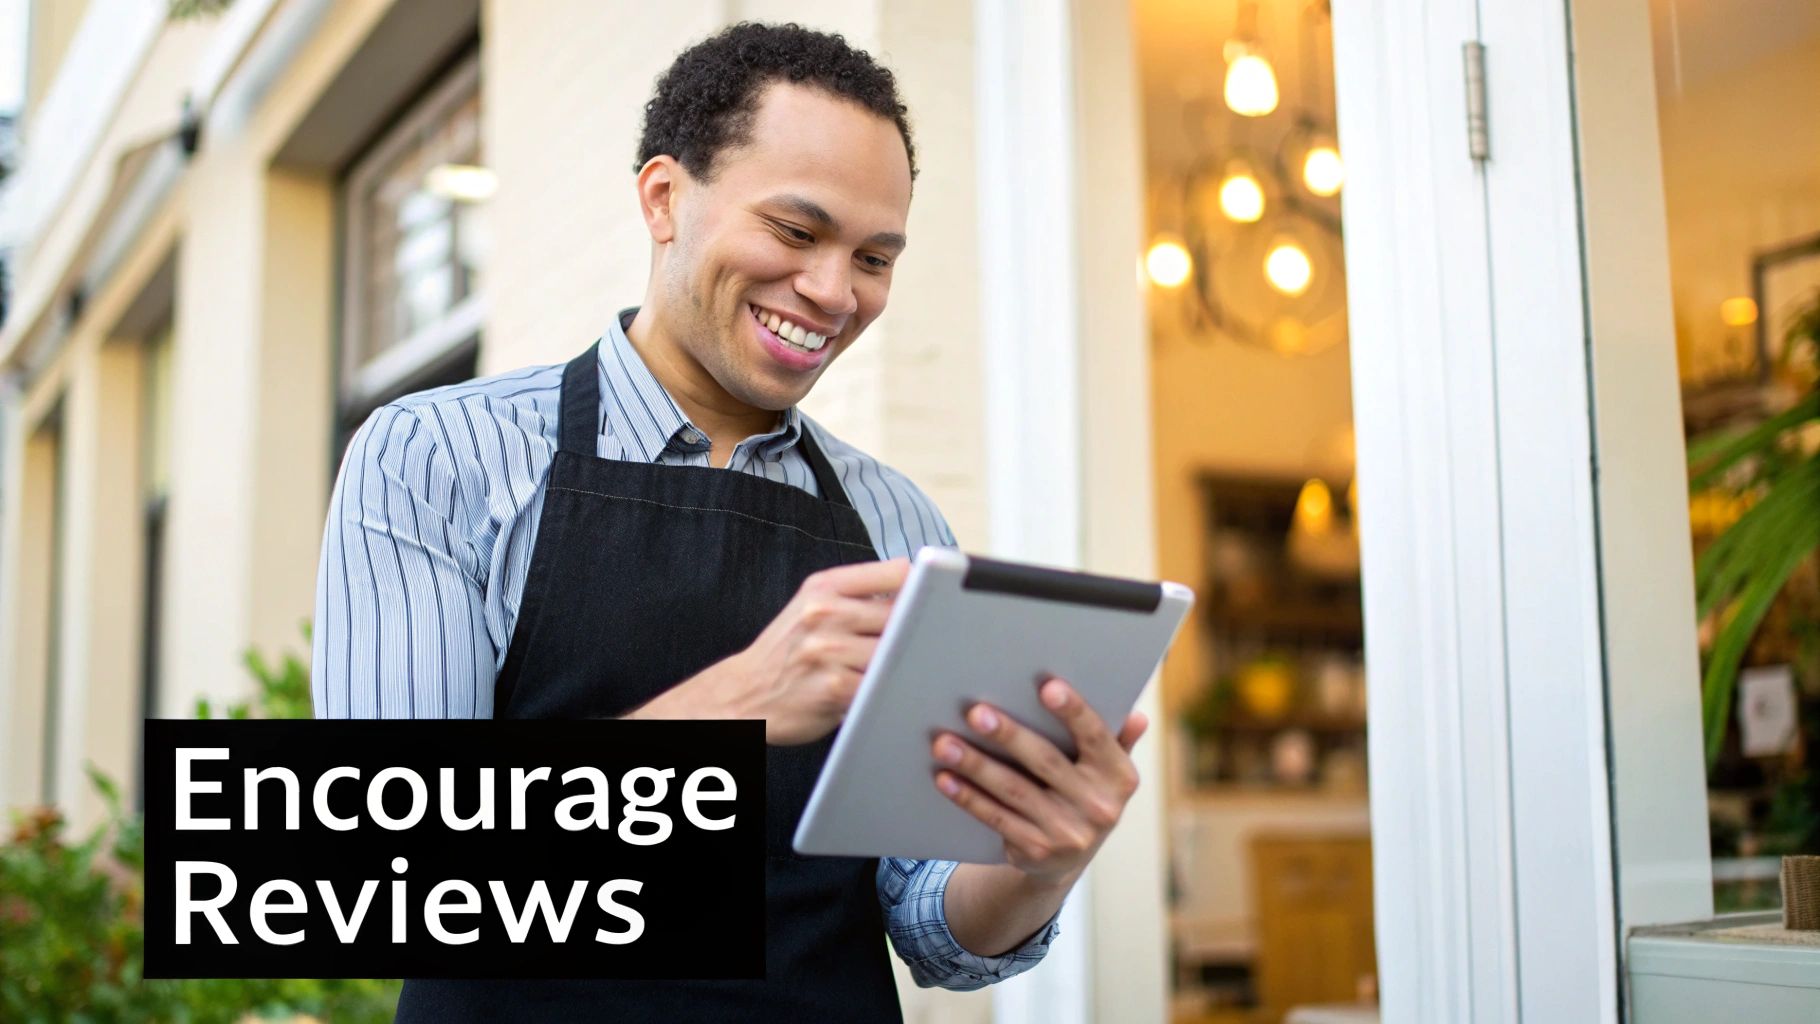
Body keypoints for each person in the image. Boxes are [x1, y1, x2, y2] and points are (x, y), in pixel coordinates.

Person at [311, 21, 1148, 1022]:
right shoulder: (439, 457)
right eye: (795, 232)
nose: (833, 292)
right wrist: (731, 712)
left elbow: (930, 926)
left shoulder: (896, 520)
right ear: (664, 198)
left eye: (873, 257)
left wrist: (1035, 858)